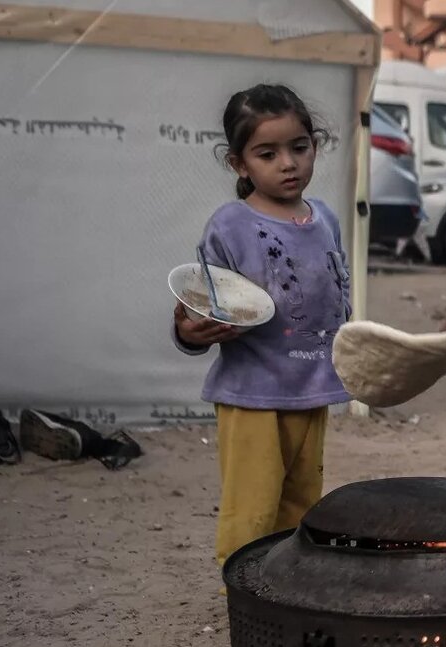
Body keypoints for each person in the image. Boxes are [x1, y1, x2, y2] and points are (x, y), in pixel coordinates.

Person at [172, 84, 353, 569]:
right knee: (251, 507)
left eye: (299, 147)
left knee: (300, 502)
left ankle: (284, 583)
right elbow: (200, 303)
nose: (288, 163)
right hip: (252, 391)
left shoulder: (327, 219)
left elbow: (335, 294)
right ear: (239, 164)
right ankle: (244, 590)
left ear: (315, 145)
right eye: (267, 153)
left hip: (313, 385)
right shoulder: (230, 225)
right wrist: (189, 332)